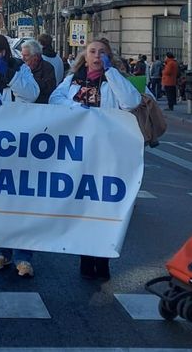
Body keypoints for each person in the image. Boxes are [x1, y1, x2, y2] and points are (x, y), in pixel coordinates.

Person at [50, 38, 141, 280]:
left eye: (102, 52)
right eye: (92, 51)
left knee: (104, 209)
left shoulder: (114, 80)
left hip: (107, 153)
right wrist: (77, 108)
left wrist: (112, 73)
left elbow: (131, 102)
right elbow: (54, 100)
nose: (97, 56)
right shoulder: (73, 79)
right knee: (83, 207)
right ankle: (85, 257)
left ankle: (103, 259)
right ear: (85, 55)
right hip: (80, 153)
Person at [19, 38, 57, 105]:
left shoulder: (47, 68)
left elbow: (49, 89)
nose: (23, 58)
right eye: (22, 55)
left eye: (26, 55)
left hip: (40, 108)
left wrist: (29, 81)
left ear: (35, 56)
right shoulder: (21, 67)